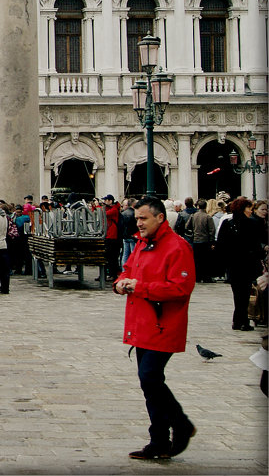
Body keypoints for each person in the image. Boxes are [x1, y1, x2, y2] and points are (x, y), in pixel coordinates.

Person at [114, 197, 196, 460]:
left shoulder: (177, 247)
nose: (138, 223)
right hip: (142, 323)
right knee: (149, 383)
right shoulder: (141, 243)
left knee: (150, 377)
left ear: (160, 218)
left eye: (143, 218)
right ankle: (159, 440)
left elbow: (181, 288)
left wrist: (142, 287)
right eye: (137, 218)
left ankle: (180, 424)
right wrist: (120, 283)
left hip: (164, 323)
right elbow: (127, 270)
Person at [216, 197, 259, 331]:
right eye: (248, 208)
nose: (250, 211)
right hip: (245, 264)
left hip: (233, 265)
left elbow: (221, 245)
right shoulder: (250, 224)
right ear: (242, 209)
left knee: (238, 293)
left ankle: (238, 320)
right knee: (244, 293)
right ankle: (242, 321)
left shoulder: (227, 223)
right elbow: (255, 245)